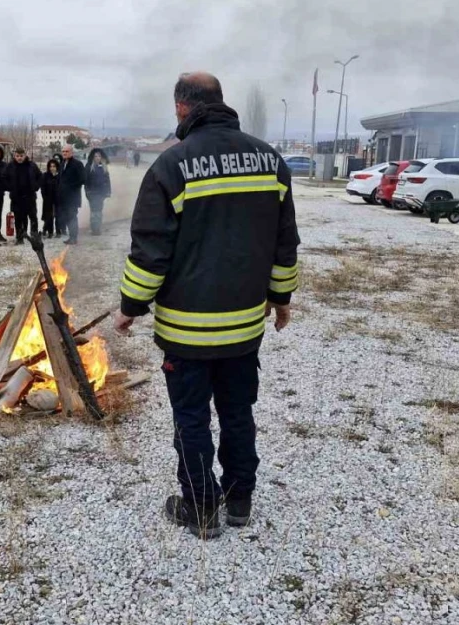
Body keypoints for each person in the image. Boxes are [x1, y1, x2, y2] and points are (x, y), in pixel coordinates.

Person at [112, 72, 300, 539]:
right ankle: (239, 500)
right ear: (221, 101)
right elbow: (284, 243)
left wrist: (129, 307)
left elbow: (150, 250)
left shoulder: (171, 166)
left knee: (192, 418)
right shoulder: (270, 161)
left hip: (187, 332)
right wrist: (281, 299)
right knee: (238, 411)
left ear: (181, 108)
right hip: (242, 329)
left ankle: (199, 507)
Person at [3, 147, 42, 245]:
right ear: (14, 156)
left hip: (30, 196)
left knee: (33, 216)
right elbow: (4, 178)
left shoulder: (31, 165)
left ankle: (34, 236)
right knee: (19, 218)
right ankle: (20, 237)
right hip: (16, 197)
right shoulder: (10, 166)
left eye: (21, 156)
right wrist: (10, 187)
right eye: (17, 156)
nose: (19, 158)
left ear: (25, 155)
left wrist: (36, 186)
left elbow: (40, 176)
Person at [56, 144, 86, 245]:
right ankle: (71, 237)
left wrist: (70, 187)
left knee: (72, 217)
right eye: (63, 151)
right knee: (67, 217)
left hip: (72, 197)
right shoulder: (62, 163)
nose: (64, 153)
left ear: (72, 152)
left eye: (67, 151)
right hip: (63, 197)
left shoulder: (77, 164)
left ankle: (74, 237)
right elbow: (60, 179)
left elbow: (83, 179)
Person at [85, 148, 112, 236]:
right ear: (93, 157)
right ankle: (94, 229)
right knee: (94, 212)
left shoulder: (104, 167)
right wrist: (87, 192)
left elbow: (107, 180)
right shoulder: (89, 167)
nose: (97, 158)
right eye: (95, 156)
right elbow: (86, 181)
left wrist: (108, 191)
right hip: (92, 193)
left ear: (101, 157)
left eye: (99, 156)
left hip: (101, 193)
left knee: (99, 211)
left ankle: (97, 228)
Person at [40, 159, 60, 237]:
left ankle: (58, 231)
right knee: (48, 216)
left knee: (57, 215)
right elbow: (43, 188)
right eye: (50, 166)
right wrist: (45, 197)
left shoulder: (59, 176)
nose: (52, 168)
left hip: (57, 199)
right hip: (48, 199)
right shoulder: (45, 175)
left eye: (54, 166)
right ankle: (49, 231)